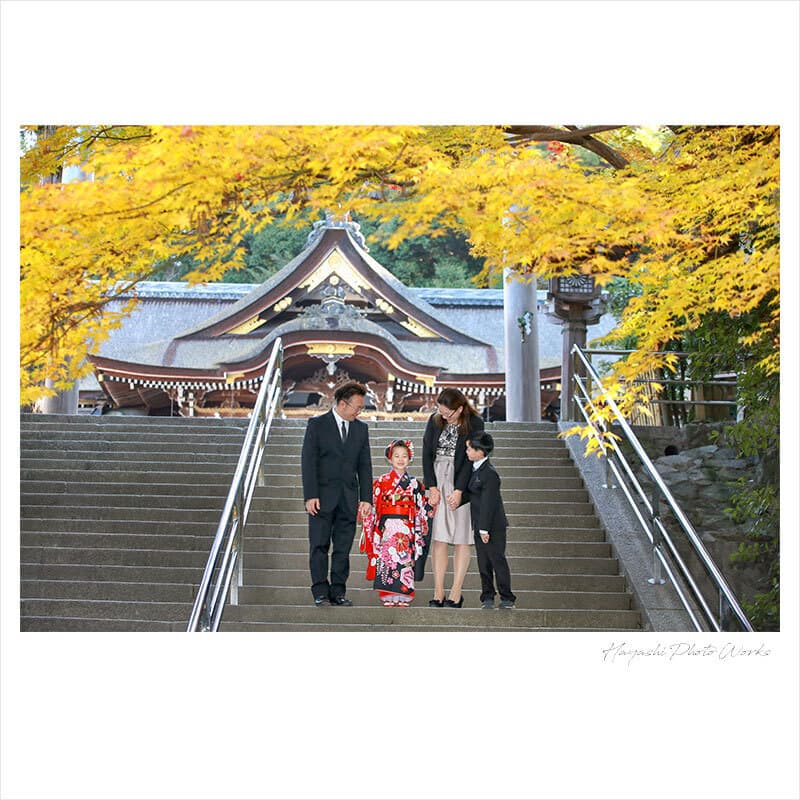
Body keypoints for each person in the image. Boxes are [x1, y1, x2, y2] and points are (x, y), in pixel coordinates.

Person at [301, 381, 373, 606]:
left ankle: (338, 592)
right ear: (343, 404)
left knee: (342, 549)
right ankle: (320, 592)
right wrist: (310, 495)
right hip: (321, 498)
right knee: (319, 546)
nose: (359, 411)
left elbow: (365, 466)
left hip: (348, 499)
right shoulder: (317, 424)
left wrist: (366, 499)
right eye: (357, 407)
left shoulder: (361, 429)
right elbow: (308, 462)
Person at [421, 387, 484, 608]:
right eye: (442, 412)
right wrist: (431, 486)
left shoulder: (475, 423)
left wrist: (459, 490)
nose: (445, 417)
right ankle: (438, 590)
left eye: (449, 414)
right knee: (439, 537)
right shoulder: (435, 420)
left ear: (460, 408)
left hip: (463, 481)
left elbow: (472, 460)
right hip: (438, 477)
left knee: (461, 537)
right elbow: (427, 453)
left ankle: (456, 591)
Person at [360, 440, 434, 606]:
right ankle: (388, 596)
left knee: (404, 561)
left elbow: (422, 506)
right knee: (388, 559)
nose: (401, 459)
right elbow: (372, 503)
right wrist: (367, 510)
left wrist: (432, 504)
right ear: (390, 458)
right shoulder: (381, 481)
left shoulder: (415, 484)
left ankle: (403, 596)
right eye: (397, 456)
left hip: (406, 527)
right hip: (387, 527)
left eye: (404, 456)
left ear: (410, 459)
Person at [462, 431, 516, 610]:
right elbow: (472, 494)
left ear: (480, 451)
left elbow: (488, 503)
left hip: (492, 526)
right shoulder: (475, 469)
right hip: (479, 525)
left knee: (496, 560)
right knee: (483, 562)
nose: (467, 451)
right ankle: (487, 596)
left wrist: (484, 529)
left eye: (470, 448)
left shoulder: (490, 474)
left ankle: (507, 597)